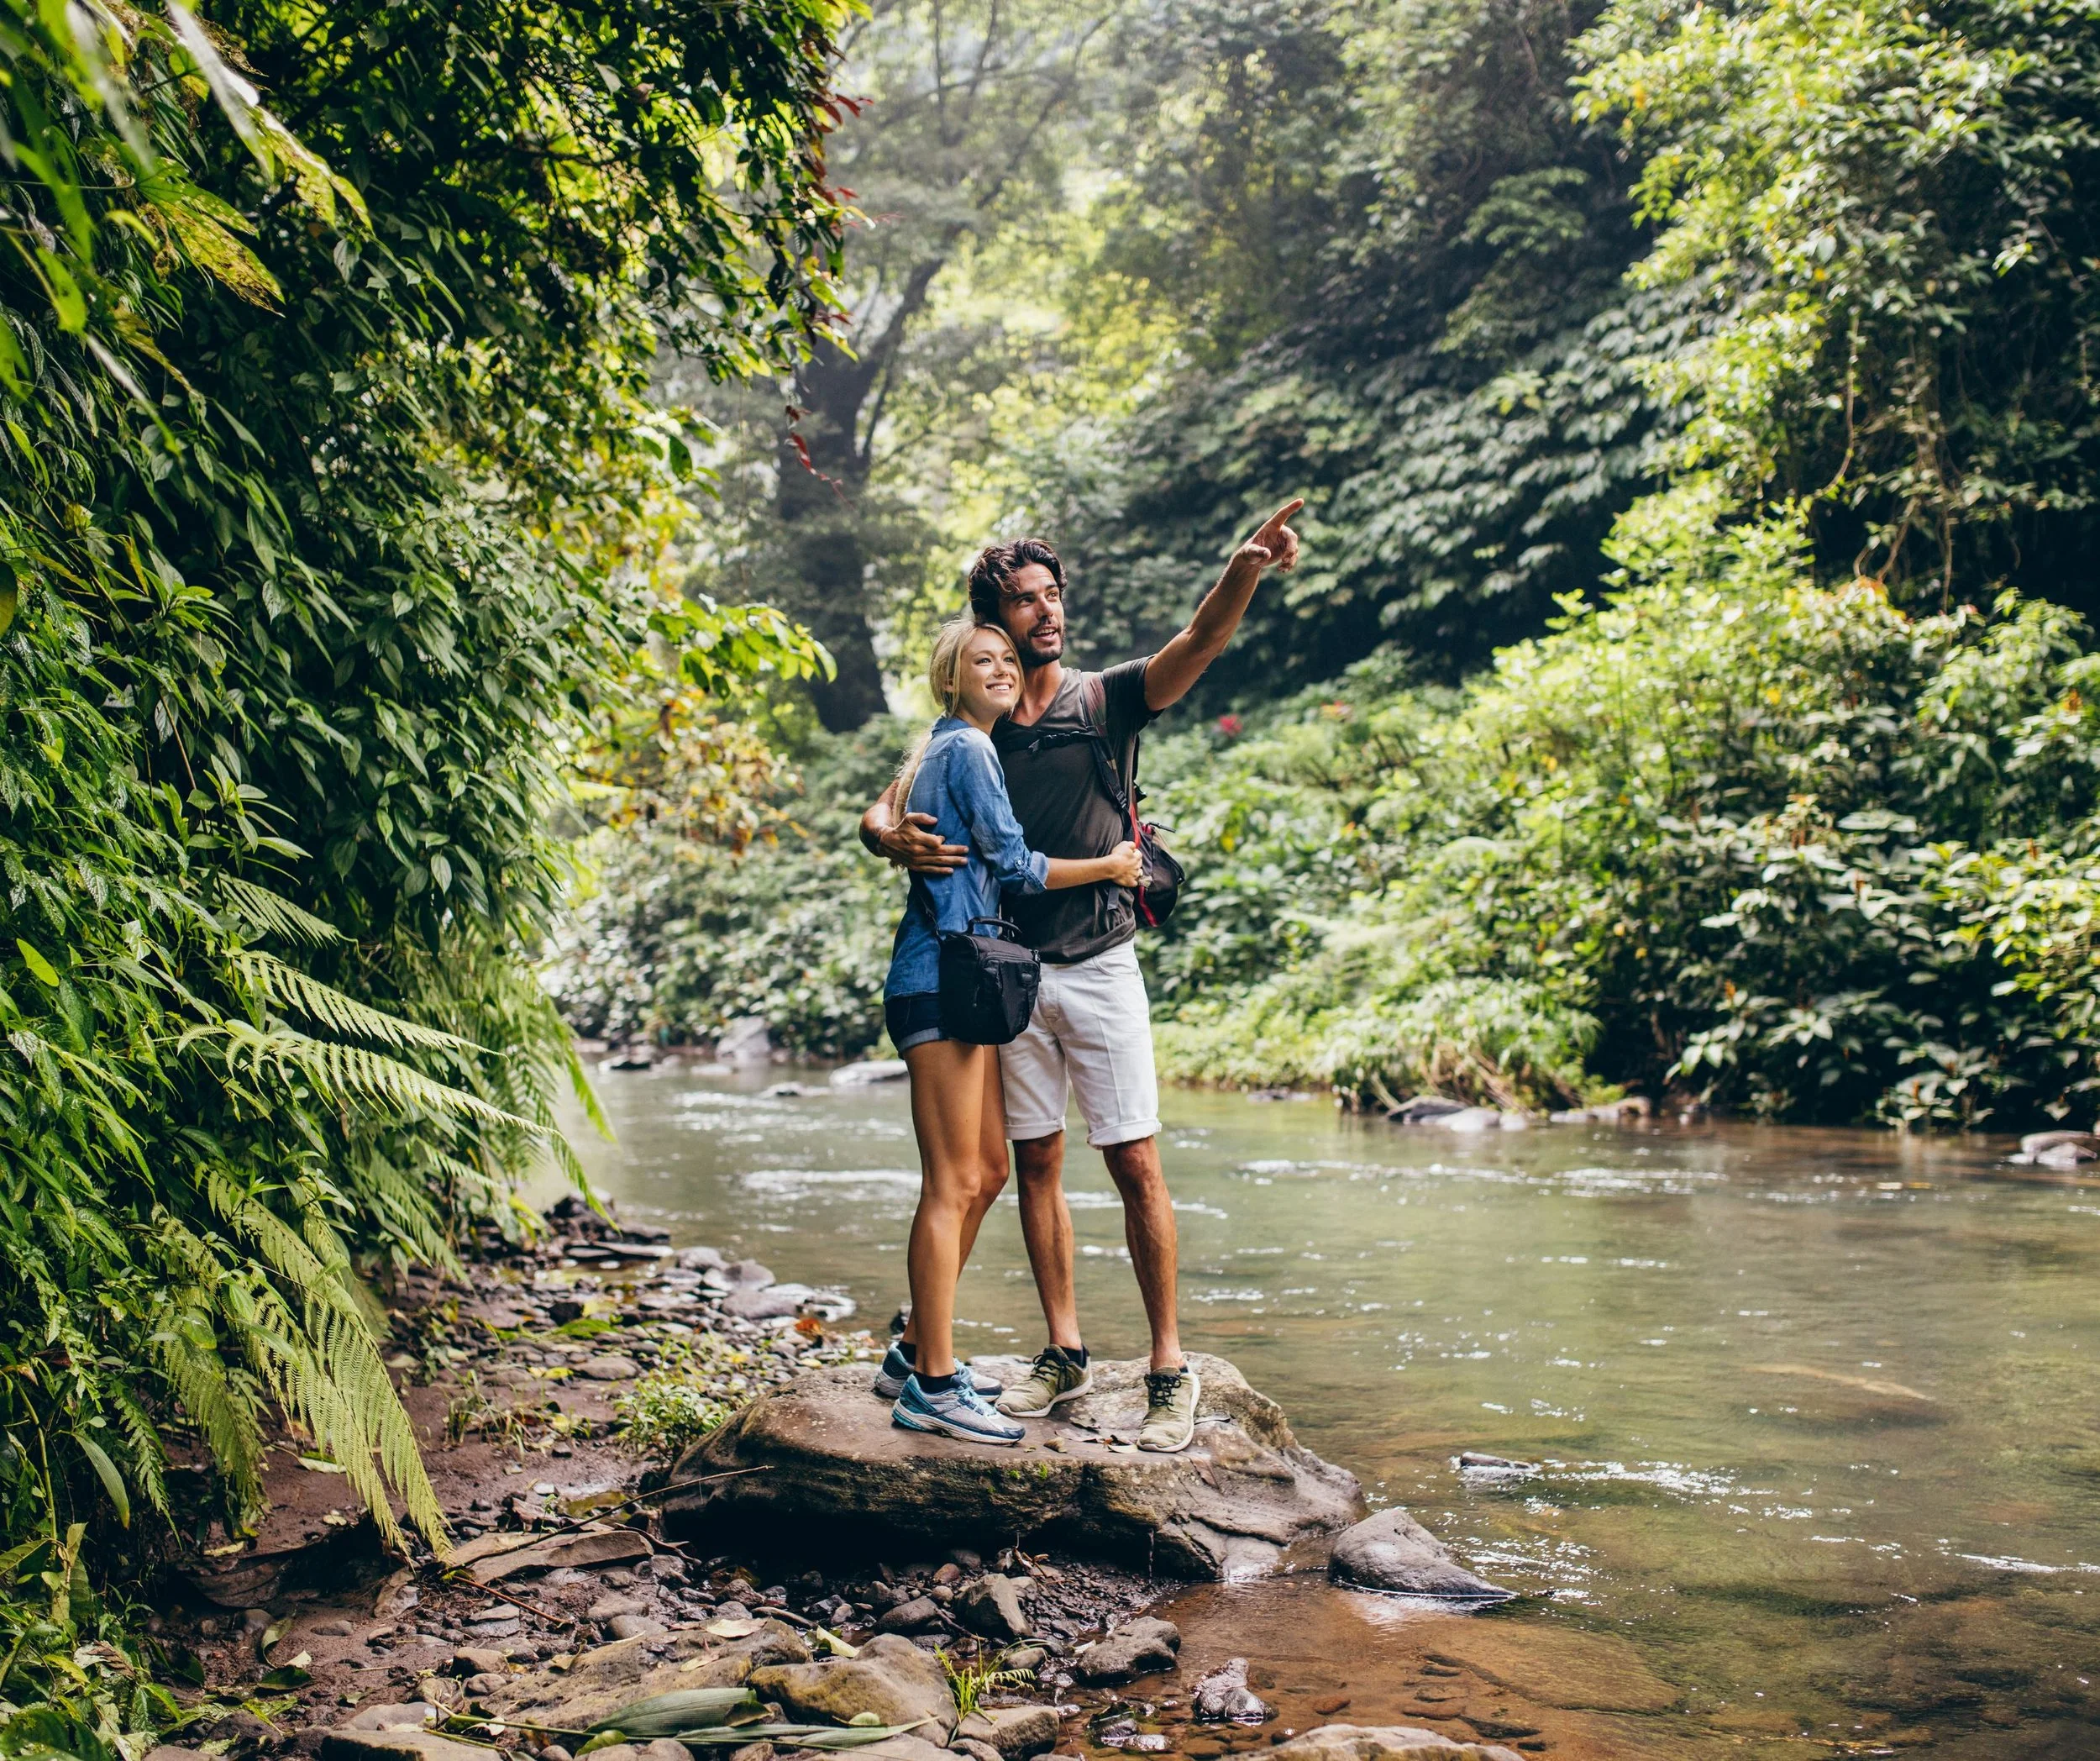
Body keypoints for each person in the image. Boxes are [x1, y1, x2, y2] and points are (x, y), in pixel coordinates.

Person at [860, 500, 1304, 1453]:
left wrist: (1245, 572)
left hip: (1100, 961)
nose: (1046, 613)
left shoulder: (1104, 699)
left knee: (1135, 1159)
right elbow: (884, 804)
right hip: (1002, 974)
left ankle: (1167, 1365)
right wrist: (888, 835)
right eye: (1023, 602)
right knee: (1032, 1165)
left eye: (1053, 595)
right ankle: (1060, 1350)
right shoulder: (974, 717)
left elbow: (1198, 640)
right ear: (991, 624)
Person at [876, 617, 1143, 1446]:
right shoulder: (967, 749)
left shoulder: (939, 746)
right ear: (949, 680)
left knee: (989, 1167)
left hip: (955, 977)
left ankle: (917, 1346)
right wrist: (1111, 863)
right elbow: (1016, 862)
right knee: (953, 1180)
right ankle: (931, 1385)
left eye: (1004, 659)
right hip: (941, 977)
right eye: (978, 661)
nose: (997, 669)